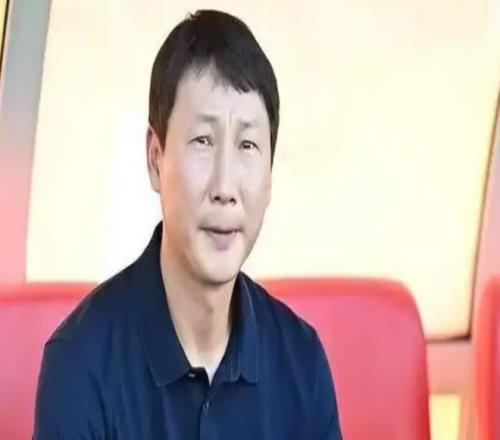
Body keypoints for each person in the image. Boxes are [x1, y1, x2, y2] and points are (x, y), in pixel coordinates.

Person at [34, 10, 342, 439]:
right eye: (203, 141)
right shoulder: (80, 365)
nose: (225, 187)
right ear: (155, 158)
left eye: (247, 145)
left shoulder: (302, 362)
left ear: (270, 174)